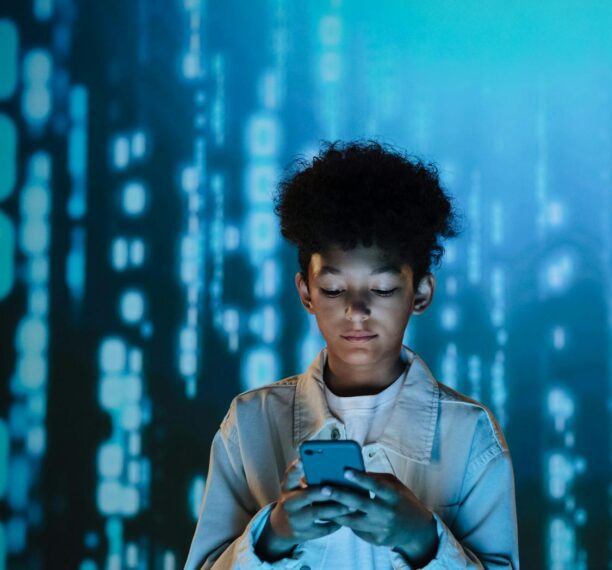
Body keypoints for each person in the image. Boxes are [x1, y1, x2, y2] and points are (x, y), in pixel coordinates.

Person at [184, 141, 519, 569]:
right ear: (305, 292)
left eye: (381, 289)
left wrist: (421, 538)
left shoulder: (471, 435)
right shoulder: (251, 423)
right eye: (333, 289)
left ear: (420, 293)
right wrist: (274, 535)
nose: (355, 311)